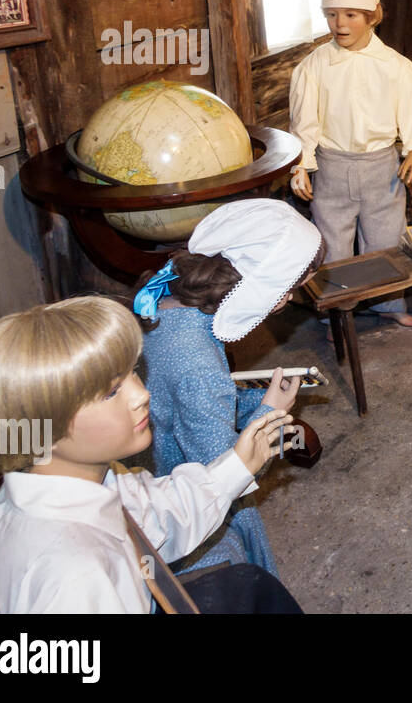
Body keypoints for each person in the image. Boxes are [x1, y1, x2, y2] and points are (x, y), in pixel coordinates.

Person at [0, 296, 300, 613]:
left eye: (133, 372)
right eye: (110, 392)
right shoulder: (72, 580)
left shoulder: (82, 478)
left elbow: (156, 515)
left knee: (249, 585)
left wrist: (237, 465)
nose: (141, 394)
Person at [133, 198, 325, 577]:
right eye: (290, 289)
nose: (290, 299)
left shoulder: (167, 299)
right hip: (194, 515)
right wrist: (272, 411)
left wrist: (248, 395)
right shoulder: (198, 364)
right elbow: (226, 469)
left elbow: (190, 403)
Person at [290, 0, 412, 325]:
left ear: (372, 17)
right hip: (333, 169)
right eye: (333, 15)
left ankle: (390, 304)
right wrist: (303, 164)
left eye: (351, 15)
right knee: (333, 242)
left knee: (385, 241)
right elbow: (305, 122)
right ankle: (341, 311)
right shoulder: (313, 67)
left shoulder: (395, 67)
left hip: (380, 169)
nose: (340, 23)